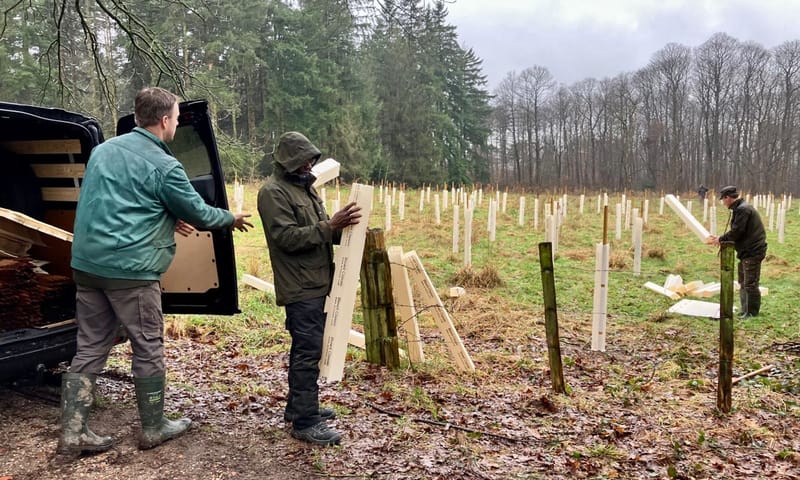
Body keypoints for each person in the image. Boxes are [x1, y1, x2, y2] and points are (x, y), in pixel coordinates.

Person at [58, 87, 253, 457]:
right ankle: (153, 427)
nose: (177, 124)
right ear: (164, 121)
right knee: (148, 346)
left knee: (90, 346)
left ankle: (73, 432)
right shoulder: (165, 166)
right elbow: (199, 213)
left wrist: (163, 216)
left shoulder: (101, 152)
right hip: (131, 271)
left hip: (86, 267)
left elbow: (121, 203)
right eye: (177, 119)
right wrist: (230, 217)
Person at [257, 131, 361, 446]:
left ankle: (298, 407)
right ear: (289, 161)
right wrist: (330, 227)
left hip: (317, 281)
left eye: (311, 160)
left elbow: (321, 232)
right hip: (300, 287)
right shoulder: (273, 193)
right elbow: (287, 238)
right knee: (307, 352)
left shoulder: (305, 189)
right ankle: (305, 422)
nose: (309, 165)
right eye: (303, 161)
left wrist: (349, 232)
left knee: (307, 350)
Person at [708, 185, 767, 318]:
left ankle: (751, 313)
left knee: (750, 283)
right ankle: (744, 310)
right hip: (746, 251)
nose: (723, 202)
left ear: (728, 198)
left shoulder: (742, 210)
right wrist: (722, 239)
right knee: (743, 282)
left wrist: (721, 239)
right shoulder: (741, 208)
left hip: (752, 251)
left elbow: (737, 232)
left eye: (723, 199)